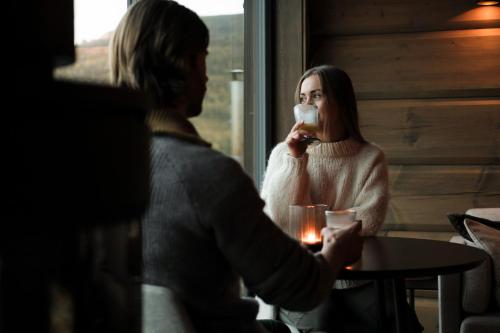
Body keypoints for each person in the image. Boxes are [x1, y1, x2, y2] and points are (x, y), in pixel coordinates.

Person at [109, 1, 363, 333]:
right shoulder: (209, 174)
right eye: (204, 57)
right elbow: (300, 287)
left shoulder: (96, 169)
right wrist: (335, 250)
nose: (207, 74)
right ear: (185, 64)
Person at [261, 65, 422, 332]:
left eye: (316, 96)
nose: (306, 106)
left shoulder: (370, 157)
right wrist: (296, 160)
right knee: (324, 323)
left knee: (403, 324)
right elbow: (277, 219)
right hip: (305, 278)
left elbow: (368, 221)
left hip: (360, 279)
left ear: (340, 103)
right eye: (302, 98)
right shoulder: (284, 154)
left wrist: (306, 221)